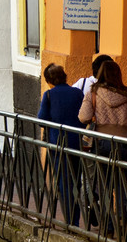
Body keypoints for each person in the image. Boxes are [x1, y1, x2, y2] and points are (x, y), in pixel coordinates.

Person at [79, 60, 127, 234]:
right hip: (124, 144)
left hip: (102, 142)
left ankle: (108, 226)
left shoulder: (94, 92)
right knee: (121, 184)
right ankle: (122, 224)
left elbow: (83, 117)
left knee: (103, 184)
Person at [37, 63, 85, 227]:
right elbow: (84, 117)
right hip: (76, 144)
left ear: (49, 80)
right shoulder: (77, 93)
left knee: (64, 183)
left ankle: (72, 222)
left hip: (58, 145)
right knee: (76, 181)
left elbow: (41, 119)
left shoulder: (49, 95)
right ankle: (76, 218)